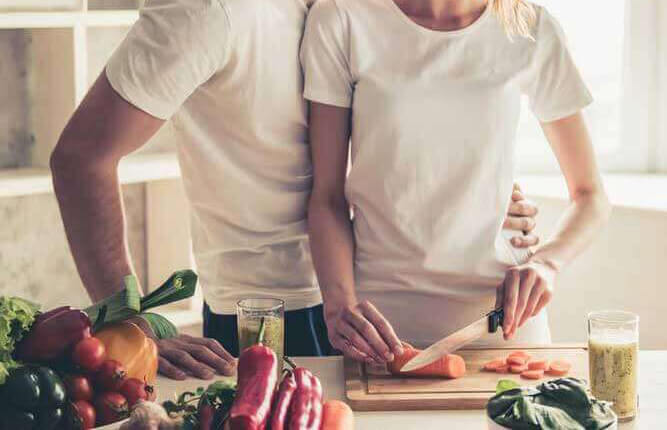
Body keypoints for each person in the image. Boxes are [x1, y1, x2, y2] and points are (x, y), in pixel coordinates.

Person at [50, 0, 540, 379]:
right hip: (272, 317)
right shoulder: (208, 10)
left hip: (381, 296)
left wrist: (482, 195)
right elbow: (81, 159)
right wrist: (129, 321)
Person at [302, 0, 611, 365]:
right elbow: (327, 197)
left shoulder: (530, 26)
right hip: (381, 330)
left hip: (504, 326)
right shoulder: (342, 17)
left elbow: (590, 195)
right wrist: (340, 306)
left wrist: (547, 264)